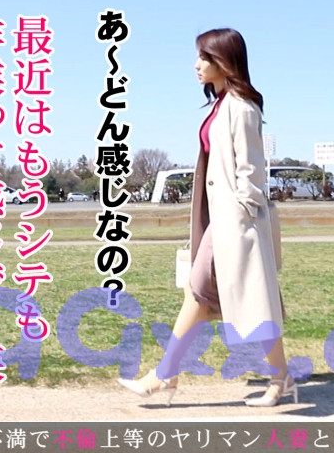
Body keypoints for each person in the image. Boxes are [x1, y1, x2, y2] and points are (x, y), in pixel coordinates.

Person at [118, 28, 294, 407]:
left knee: (202, 293)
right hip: (223, 220)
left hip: (236, 222)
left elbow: (252, 172)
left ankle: (164, 375)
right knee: (248, 300)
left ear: (224, 62)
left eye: (204, 57)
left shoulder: (242, 108)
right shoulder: (222, 104)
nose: (196, 65)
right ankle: (281, 378)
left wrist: (241, 216)